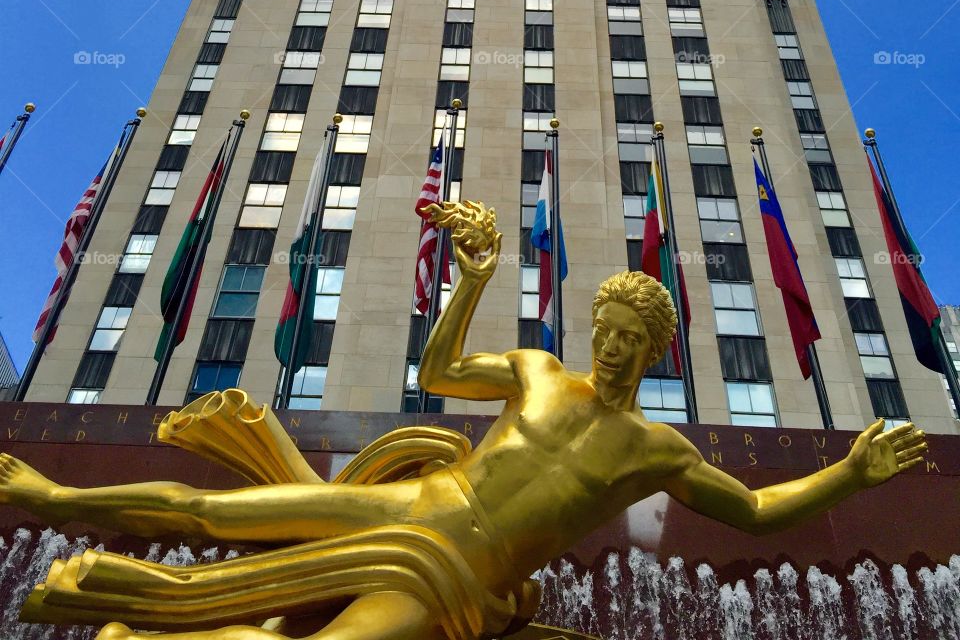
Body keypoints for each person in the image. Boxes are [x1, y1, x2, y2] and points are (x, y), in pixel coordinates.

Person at [0, 201, 928, 640]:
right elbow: (438, 369)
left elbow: (759, 515)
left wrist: (852, 473)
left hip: (460, 574)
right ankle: (52, 490)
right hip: (417, 506)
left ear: (655, 354)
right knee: (214, 517)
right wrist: (475, 279)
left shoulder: (658, 449)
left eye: (629, 340)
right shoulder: (537, 370)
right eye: (603, 330)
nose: (609, 349)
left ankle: (156, 627)